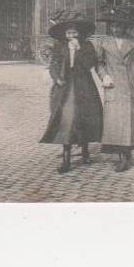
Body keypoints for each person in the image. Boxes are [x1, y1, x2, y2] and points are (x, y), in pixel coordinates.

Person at [40, 10, 105, 173]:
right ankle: (66, 159)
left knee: (84, 117)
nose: (71, 35)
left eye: (74, 32)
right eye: (68, 32)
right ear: (64, 34)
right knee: (66, 119)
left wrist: (79, 50)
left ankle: (85, 152)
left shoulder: (87, 46)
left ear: (79, 33)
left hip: (84, 85)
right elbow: (54, 64)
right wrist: (56, 78)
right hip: (65, 86)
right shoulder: (59, 45)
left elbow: (90, 64)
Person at [95, 2, 134, 172]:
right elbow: (99, 63)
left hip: (130, 84)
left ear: (125, 26)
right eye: (112, 26)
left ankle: (127, 153)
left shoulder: (132, 41)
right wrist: (104, 76)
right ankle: (121, 155)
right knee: (116, 121)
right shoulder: (103, 42)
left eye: (119, 25)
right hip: (113, 85)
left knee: (130, 120)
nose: (115, 29)